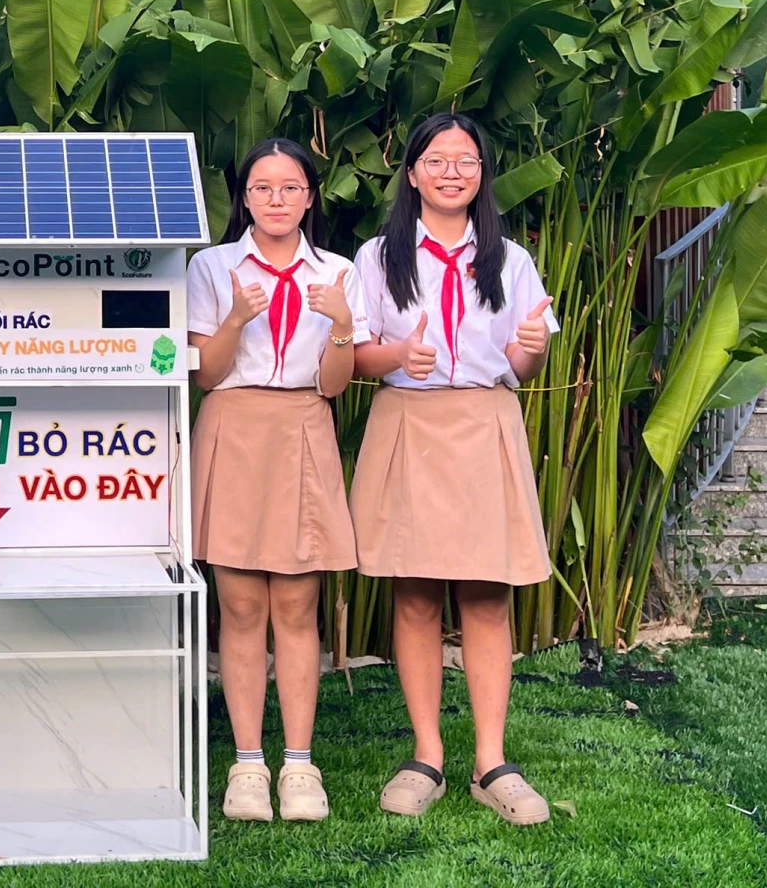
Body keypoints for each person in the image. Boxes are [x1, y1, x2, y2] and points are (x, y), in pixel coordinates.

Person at [349, 112, 558, 827]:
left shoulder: (511, 259)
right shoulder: (378, 257)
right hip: (408, 423)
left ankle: (491, 762)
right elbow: (355, 354)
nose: (451, 172)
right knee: (413, 593)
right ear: (412, 173)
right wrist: (393, 357)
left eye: (465, 161)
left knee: (486, 597)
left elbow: (526, 361)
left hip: (483, 422)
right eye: (436, 159)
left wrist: (532, 346)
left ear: (481, 176)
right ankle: (428, 755)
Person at [187, 138, 364, 824]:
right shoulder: (214, 266)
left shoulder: (339, 272)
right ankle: (247, 765)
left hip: (303, 425)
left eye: (291, 188)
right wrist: (236, 316)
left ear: (310, 198)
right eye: (263, 188)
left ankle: (299, 764)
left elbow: (333, 385)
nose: (277, 200)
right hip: (233, 423)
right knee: (238, 608)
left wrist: (343, 327)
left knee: (296, 605)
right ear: (245, 198)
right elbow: (206, 372)